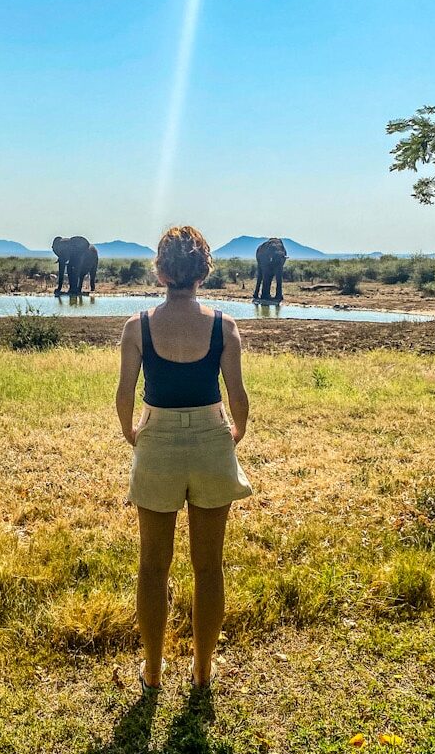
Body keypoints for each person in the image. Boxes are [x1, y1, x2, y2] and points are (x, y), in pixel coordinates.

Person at [114, 225, 253, 695]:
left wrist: (136, 436)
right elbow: (238, 396)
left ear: (160, 270)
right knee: (208, 566)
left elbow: (123, 398)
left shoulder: (138, 326)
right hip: (213, 441)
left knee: (153, 565)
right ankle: (202, 671)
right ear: (203, 272)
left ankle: (153, 672)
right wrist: (234, 434)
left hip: (157, 441)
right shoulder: (224, 326)